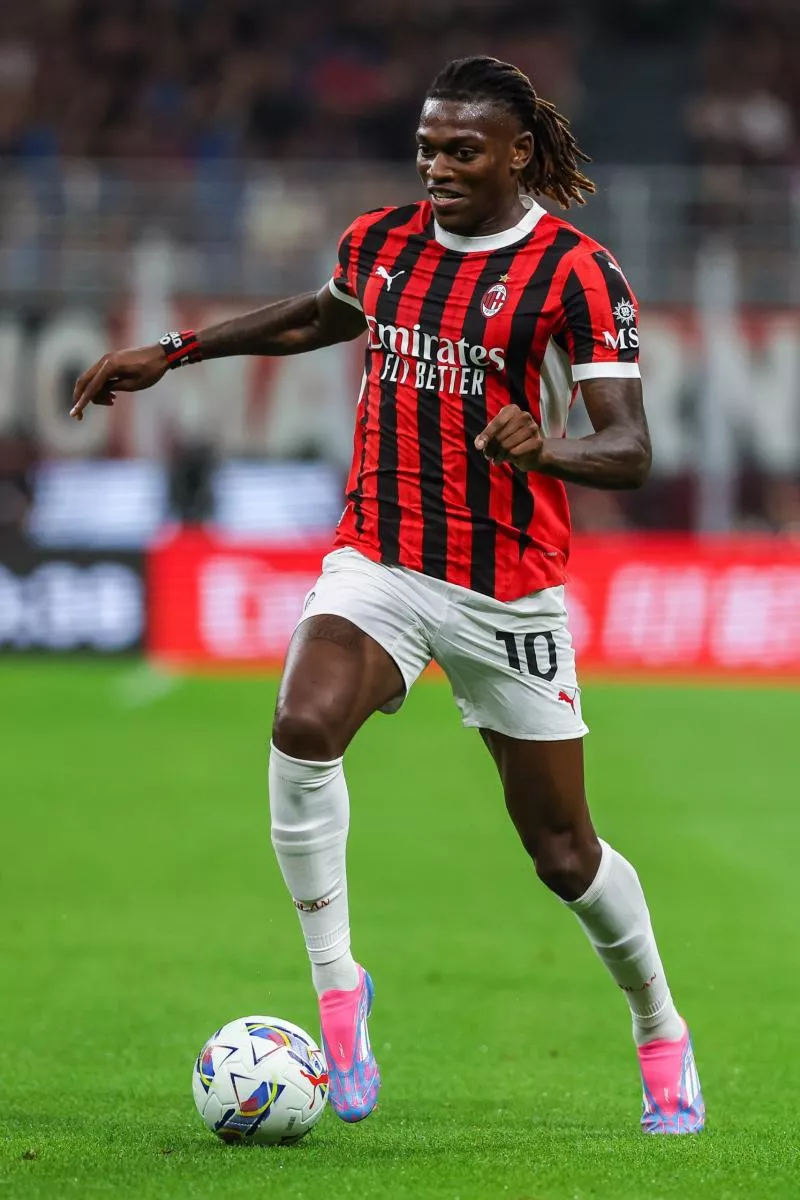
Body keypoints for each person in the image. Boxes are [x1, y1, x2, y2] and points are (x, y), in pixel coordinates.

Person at [71, 56, 704, 1136]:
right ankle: (338, 993)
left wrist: (542, 446)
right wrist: (173, 352)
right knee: (301, 722)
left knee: (561, 853)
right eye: (426, 148)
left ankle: (658, 1026)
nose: (438, 168)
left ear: (516, 154)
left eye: (461, 151)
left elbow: (630, 448)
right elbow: (317, 315)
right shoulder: (382, 243)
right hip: (381, 561)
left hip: (508, 592)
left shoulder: (573, 273)